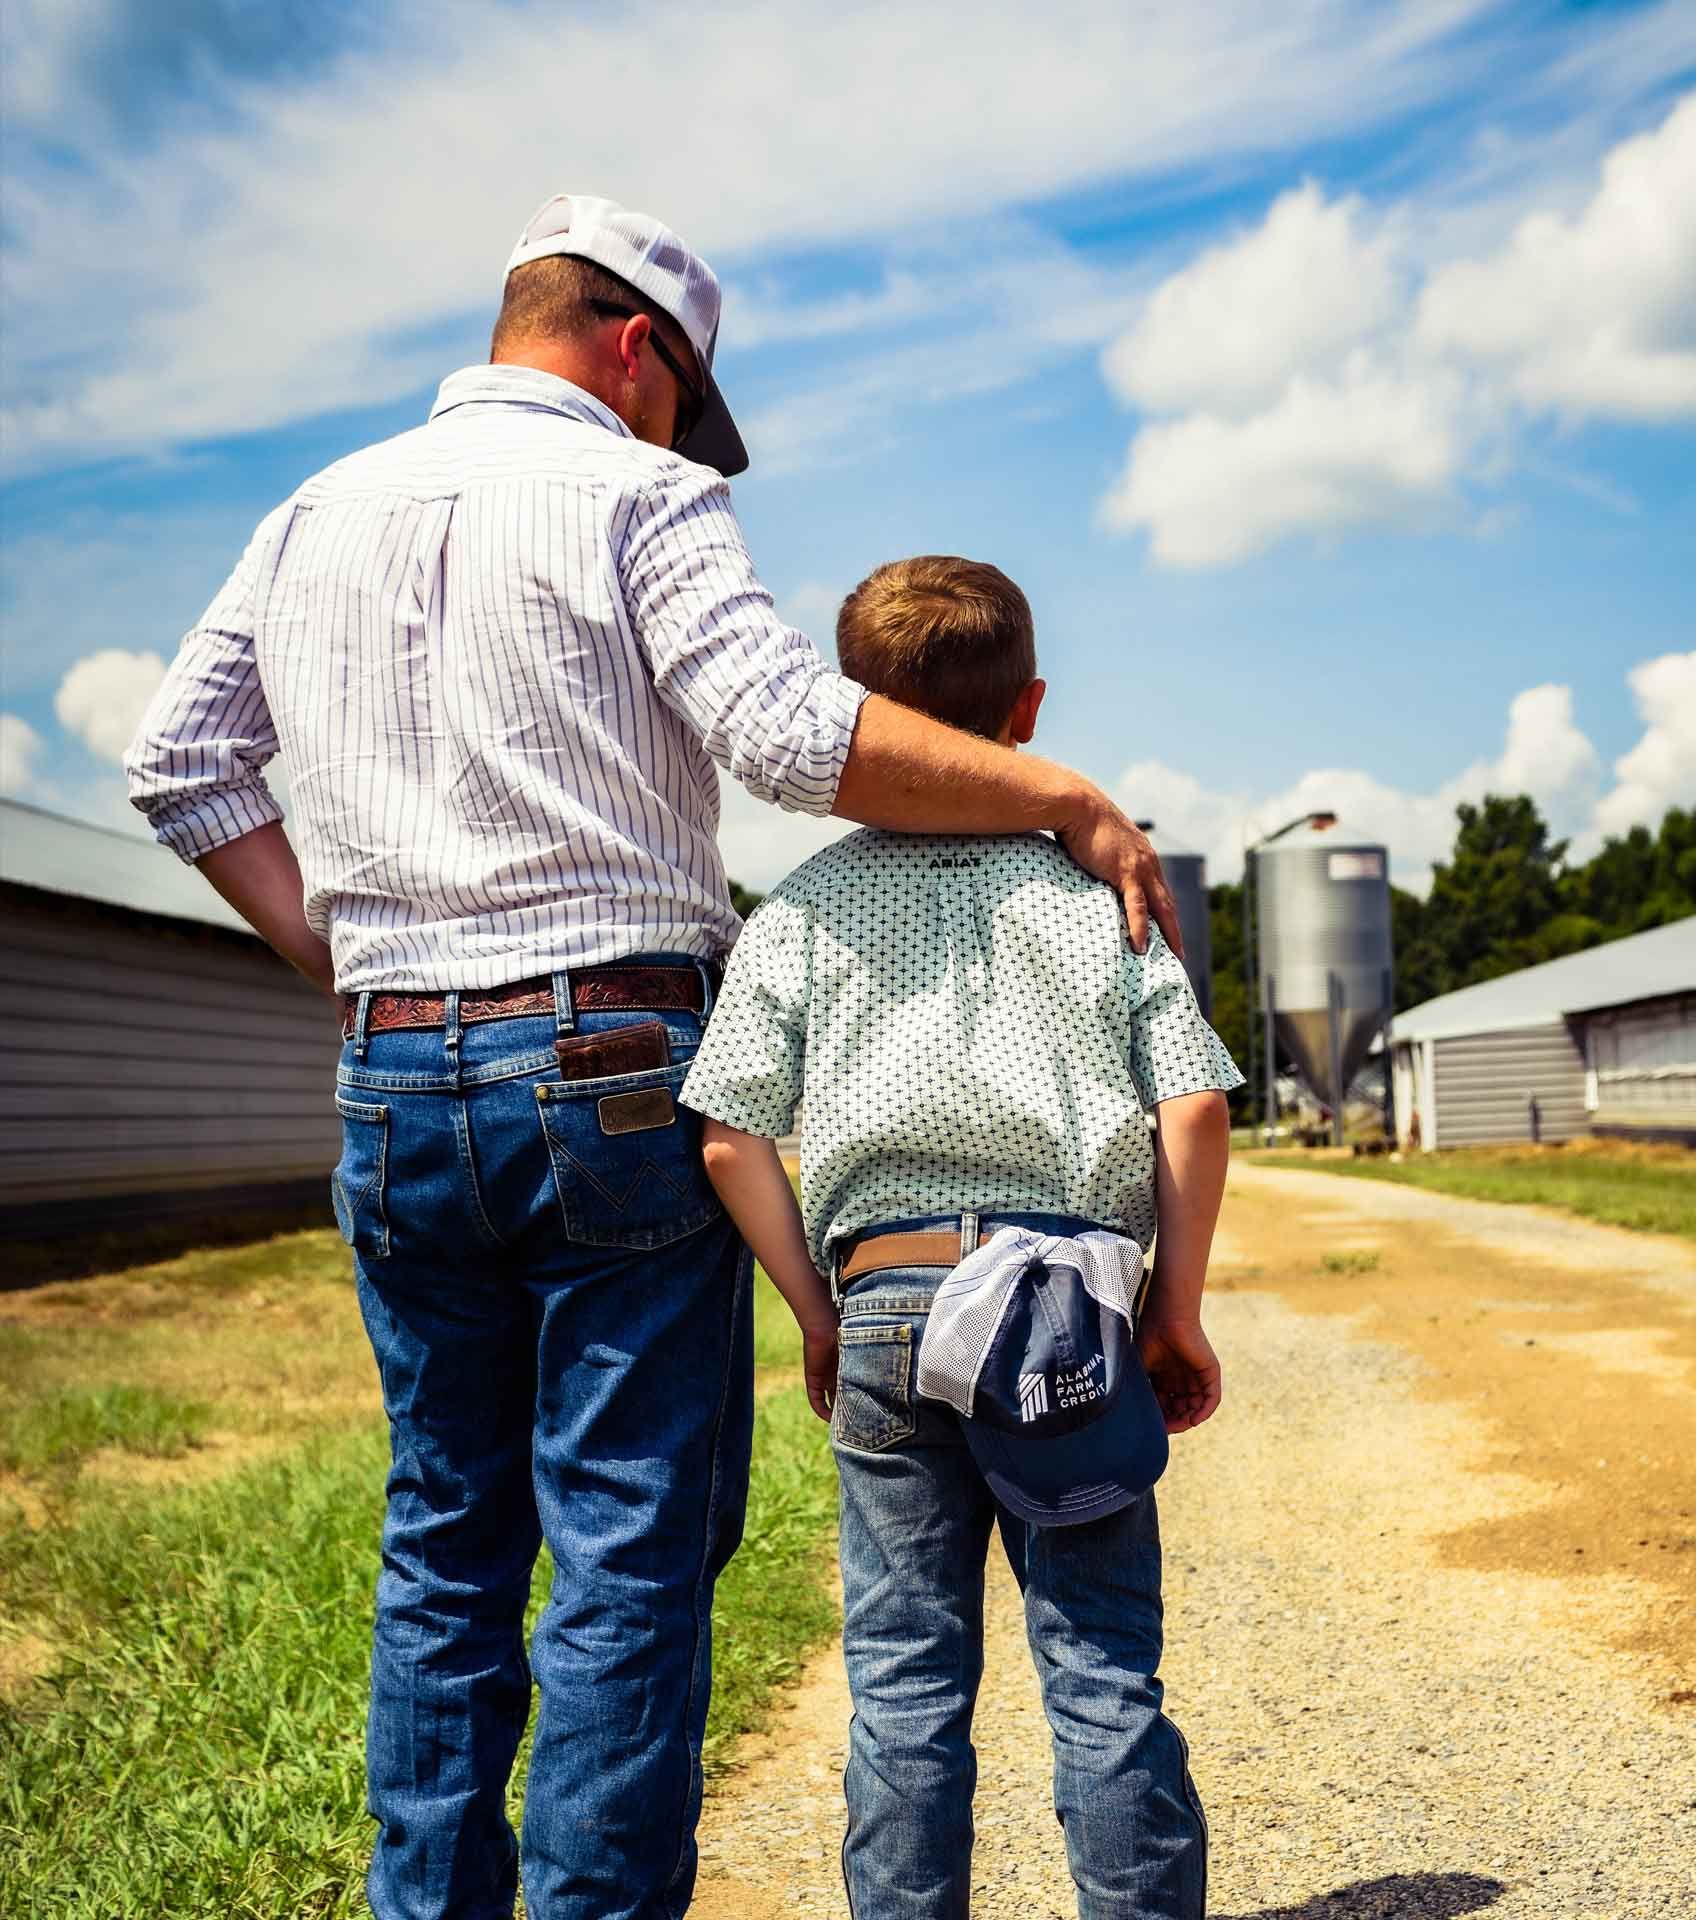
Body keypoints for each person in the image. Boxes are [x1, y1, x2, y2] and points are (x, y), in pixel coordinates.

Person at [124, 198, 1181, 1920]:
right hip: (609, 1065)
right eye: (686, 403)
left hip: (397, 1076)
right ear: (639, 351)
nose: (685, 438)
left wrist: (344, 955)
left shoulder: (310, 511)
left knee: (443, 1547)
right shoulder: (642, 492)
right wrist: (1063, 795)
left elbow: (182, 764)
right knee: (622, 1544)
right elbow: (778, 733)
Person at [682, 555, 1241, 1920]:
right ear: (1027, 709)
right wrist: (1173, 1308)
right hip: (1068, 1307)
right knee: (1102, 1661)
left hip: (886, 1299)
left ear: (858, 716)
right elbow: (1196, 1107)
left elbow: (728, 1137)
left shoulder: (802, 909)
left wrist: (820, 1316)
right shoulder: (1101, 901)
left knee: (905, 1681)